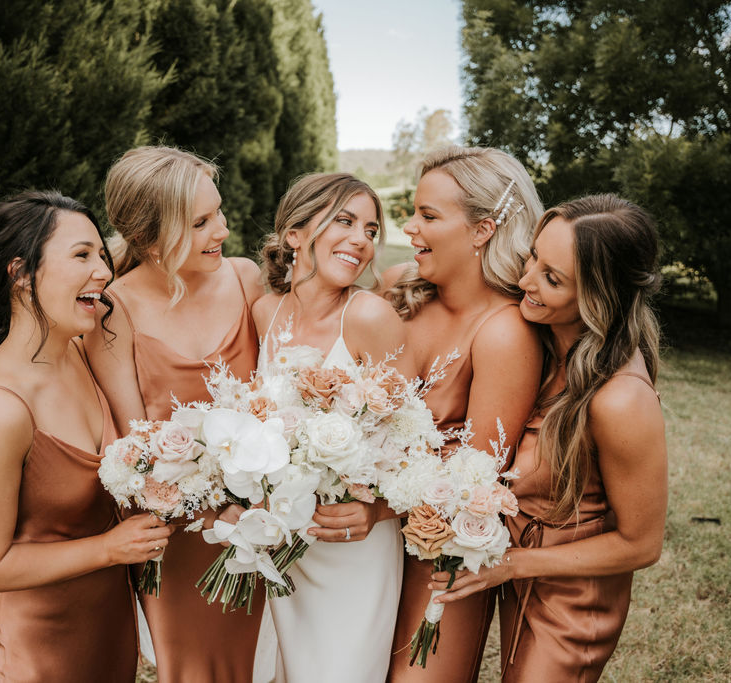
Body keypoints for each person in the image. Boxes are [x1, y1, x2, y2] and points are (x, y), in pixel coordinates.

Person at [430, 194, 668, 681]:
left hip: (573, 595)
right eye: (534, 256)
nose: (525, 280)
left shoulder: (619, 400)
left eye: (552, 279)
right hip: (518, 568)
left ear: (599, 299)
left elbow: (641, 545)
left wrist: (514, 564)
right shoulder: (539, 344)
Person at [0, 191, 172, 682]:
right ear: (21, 274)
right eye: (81, 255)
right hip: (44, 643)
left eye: (101, 254)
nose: (104, 272)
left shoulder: (78, 349)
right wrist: (111, 549)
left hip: (109, 620)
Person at [83, 146, 265, 683]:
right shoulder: (114, 309)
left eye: (220, 213)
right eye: (202, 222)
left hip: (268, 514)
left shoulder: (245, 278)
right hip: (179, 529)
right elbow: (129, 441)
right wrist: (204, 504)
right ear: (148, 238)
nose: (223, 231)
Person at [382, 146, 543, 682]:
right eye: (413, 211)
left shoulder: (504, 332)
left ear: (482, 230)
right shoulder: (399, 287)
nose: (410, 227)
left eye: (429, 216)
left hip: (440, 551)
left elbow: (476, 475)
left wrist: (374, 505)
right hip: (360, 541)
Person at [254, 172, 412, 683]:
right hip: (281, 541)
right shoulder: (263, 313)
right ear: (296, 233)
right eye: (344, 221)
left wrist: (376, 509)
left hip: (351, 546)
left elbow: (413, 440)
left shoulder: (370, 316)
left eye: (370, 229)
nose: (361, 240)